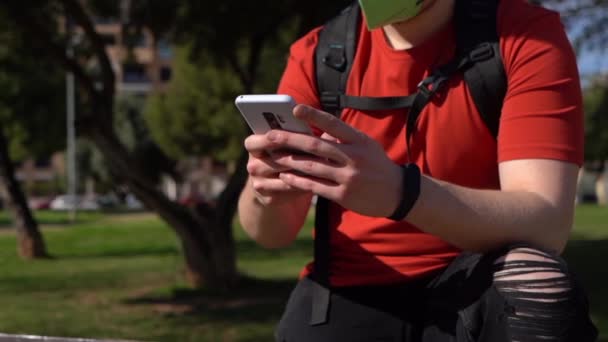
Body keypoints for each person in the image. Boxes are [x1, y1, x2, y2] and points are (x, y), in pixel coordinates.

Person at [238, 0, 599, 340]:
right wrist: (265, 192)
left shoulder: (524, 35)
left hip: (476, 284)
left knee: (536, 282)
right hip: (349, 290)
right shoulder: (317, 53)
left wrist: (401, 192)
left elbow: (546, 223)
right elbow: (271, 236)